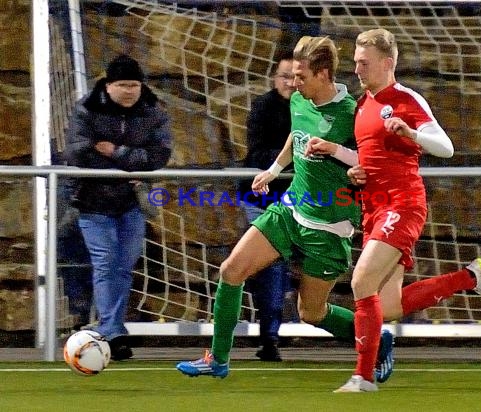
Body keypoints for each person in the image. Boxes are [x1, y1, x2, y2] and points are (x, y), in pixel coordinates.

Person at [304, 28, 481, 392]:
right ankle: (470, 277)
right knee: (389, 305)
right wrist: (342, 156)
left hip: (402, 204)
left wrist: (411, 134)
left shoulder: (404, 99)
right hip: (374, 207)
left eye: (364, 63)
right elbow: (370, 160)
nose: (358, 70)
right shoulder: (364, 105)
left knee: (361, 281)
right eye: (355, 63)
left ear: (387, 63)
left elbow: (445, 147)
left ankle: (363, 377)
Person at [176, 35, 374, 378]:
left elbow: (371, 163)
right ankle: (217, 360)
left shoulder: (352, 112)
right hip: (290, 209)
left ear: (324, 74)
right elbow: (295, 134)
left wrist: (335, 151)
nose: (293, 84)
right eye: (292, 76)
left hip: (328, 225)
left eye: (301, 76)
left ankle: (377, 338)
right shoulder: (299, 99)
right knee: (231, 270)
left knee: (311, 313)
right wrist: (273, 170)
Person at [65, 54, 172, 360]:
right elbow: (79, 154)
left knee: (123, 267)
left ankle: (112, 328)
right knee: (105, 262)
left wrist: (116, 151)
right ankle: (112, 332)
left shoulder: (154, 113)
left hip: (132, 201)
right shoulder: (86, 109)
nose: (129, 91)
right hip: (92, 200)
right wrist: (130, 162)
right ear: (109, 85)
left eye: (134, 85)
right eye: (123, 85)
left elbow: (157, 157)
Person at [240, 52, 297, 362]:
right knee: (269, 266)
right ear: (275, 79)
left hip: (303, 200)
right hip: (263, 198)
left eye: (295, 77)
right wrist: (297, 156)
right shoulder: (263, 107)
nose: (289, 83)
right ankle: (269, 337)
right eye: (284, 76)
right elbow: (258, 153)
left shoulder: (312, 108)